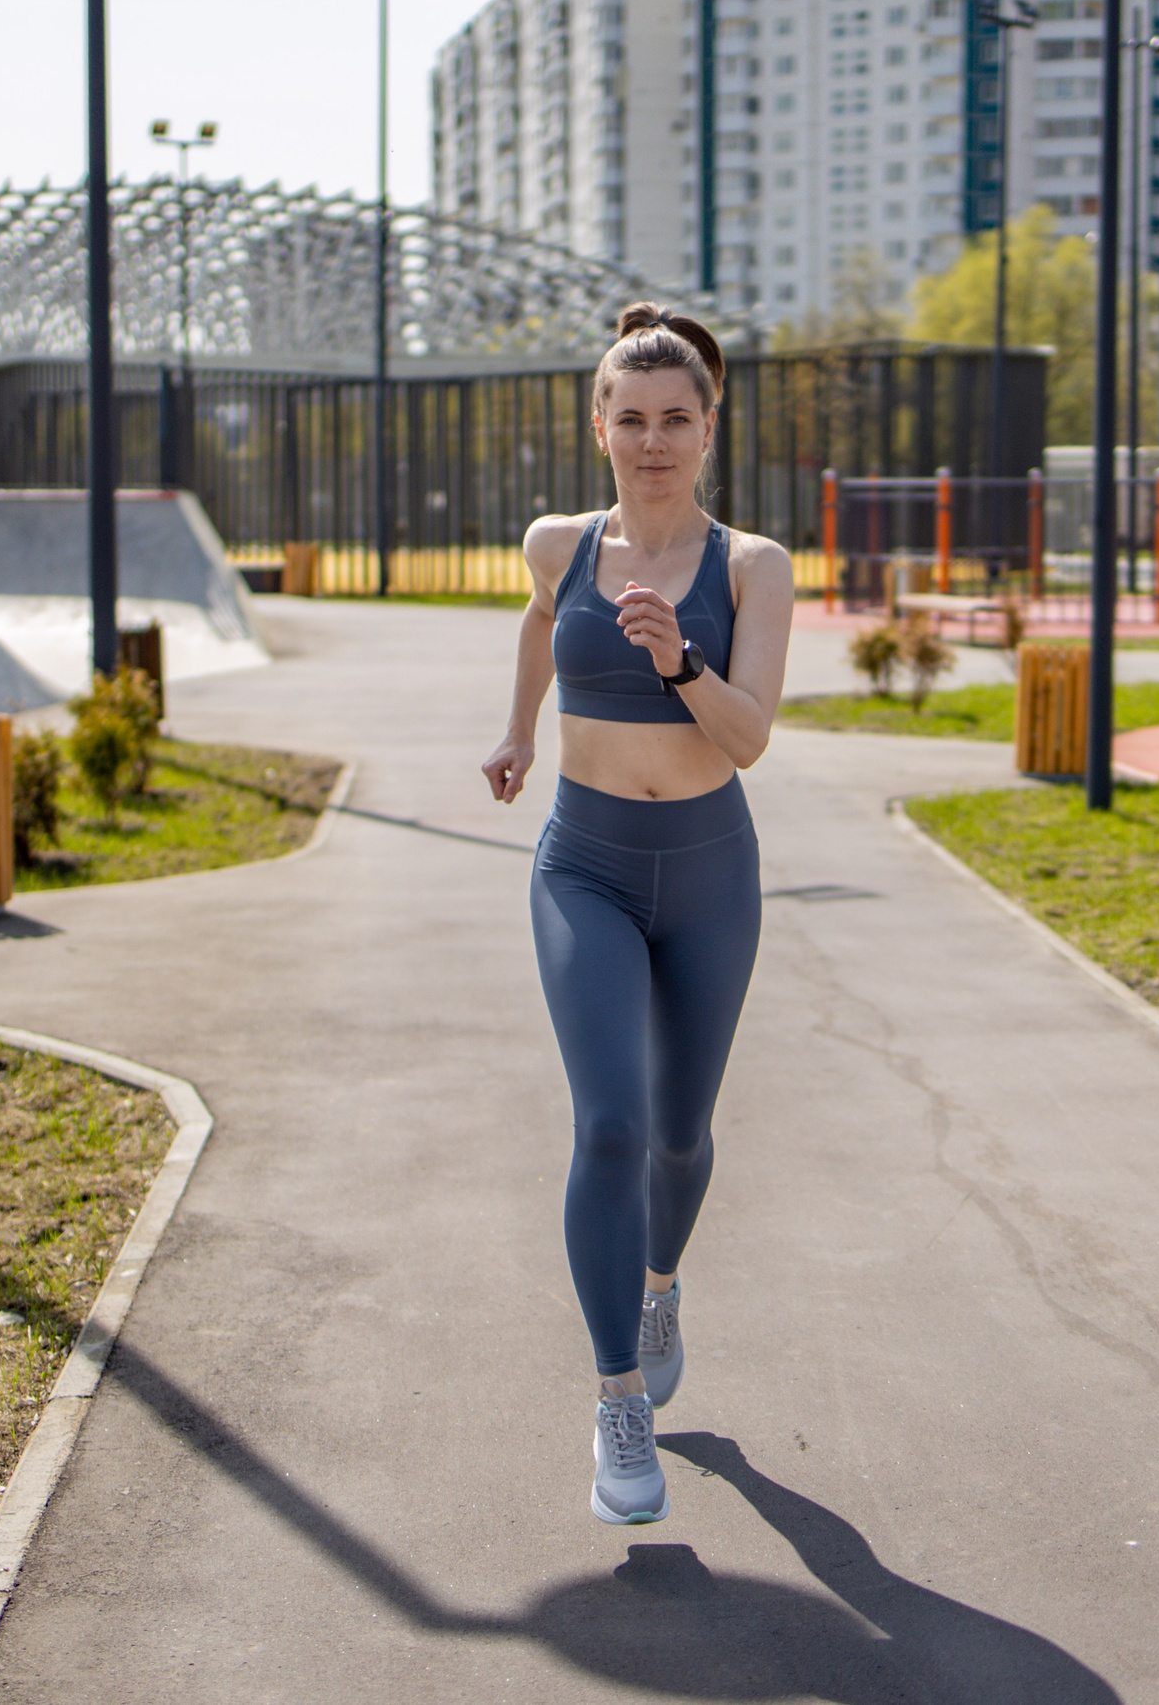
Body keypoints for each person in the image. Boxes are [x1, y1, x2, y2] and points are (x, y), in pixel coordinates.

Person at [481, 303, 794, 1525]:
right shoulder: (557, 543)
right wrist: (518, 728)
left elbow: (751, 738)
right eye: (631, 418)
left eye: (676, 419)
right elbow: (534, 626)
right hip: (587, 866)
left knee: (679, 1135)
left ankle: (658, 1282)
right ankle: (618, 1397)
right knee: (609, 1124)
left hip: (711, 866)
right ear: (599, 425)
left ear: (708, 428)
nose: (652, 440)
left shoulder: (752, 566)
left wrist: (679, 661)